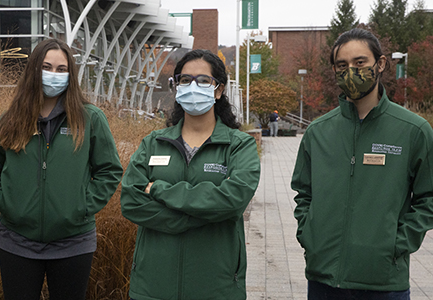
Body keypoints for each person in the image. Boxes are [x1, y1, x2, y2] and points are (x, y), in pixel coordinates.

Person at [291, 28, 433, 299]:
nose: (351, 71)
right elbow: (303, 193)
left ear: (380, 64)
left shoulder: (413, 130)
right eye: (342, 65)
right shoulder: (318, 131)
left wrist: (396, 244)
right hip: (324, 279)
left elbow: (429, 198)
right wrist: (310, 236)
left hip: (383, 282)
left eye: (360, 63)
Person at [0, 38, 123, 300]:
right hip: (17, 240)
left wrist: (81, 206)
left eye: (61, 69)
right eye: (46, 67)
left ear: (71, 74)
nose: (53, 75)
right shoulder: (11, 118)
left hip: (73, 242)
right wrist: (8, 203)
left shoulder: (89, 118)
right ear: (34, 69)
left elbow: (109, 171)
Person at [120, 49, 261, 300]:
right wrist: (201, 215)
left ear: (218, 90)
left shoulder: (239, 145)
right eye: (185, 80)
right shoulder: (153, 143)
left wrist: (159, 189)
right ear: (176, 87)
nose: (193, 86)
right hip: (153, 286)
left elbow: (232, 200)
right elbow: (131, 202)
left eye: (203, 80)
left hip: (216, 287)